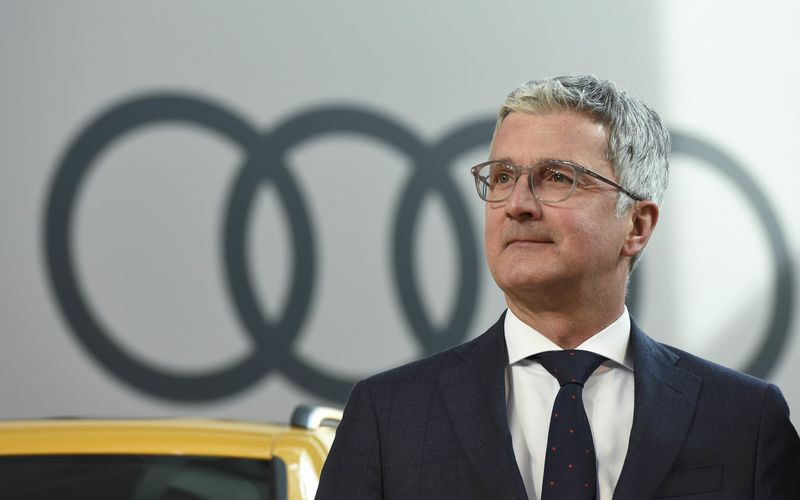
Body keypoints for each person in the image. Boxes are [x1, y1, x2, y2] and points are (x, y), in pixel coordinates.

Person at [315, 75, 800, 499]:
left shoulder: (746, 419)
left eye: (556, 178)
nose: (518, 204)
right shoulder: (388, 416)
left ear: (636, 226)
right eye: (502, 177)